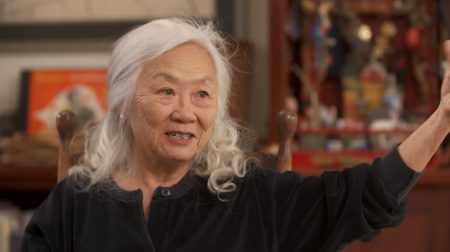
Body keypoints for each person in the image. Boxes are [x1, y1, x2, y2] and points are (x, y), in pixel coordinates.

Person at [21, 18, 450, 252]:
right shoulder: (74, 204)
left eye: (203, 94)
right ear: (121, 101)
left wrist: (442, 119)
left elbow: (369, 195)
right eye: (166, 90)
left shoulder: (256, 199)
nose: (186, 112)